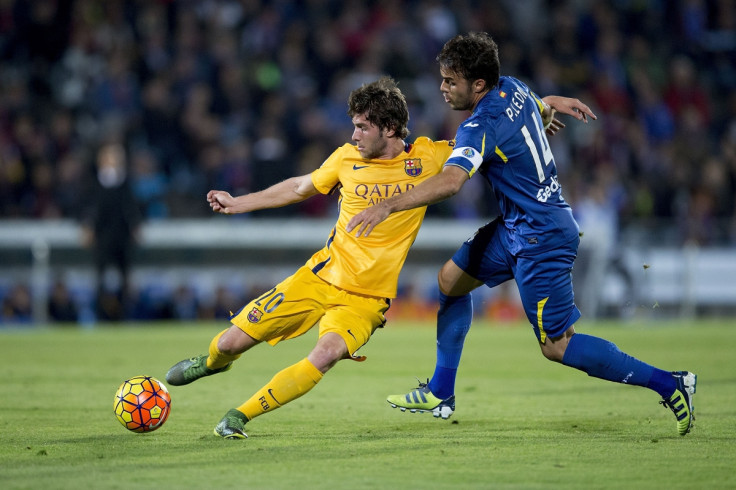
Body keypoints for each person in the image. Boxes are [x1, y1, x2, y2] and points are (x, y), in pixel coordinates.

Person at [346, 32, 697, 436]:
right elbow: (529, 107)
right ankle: (441, 391)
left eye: (450, 81)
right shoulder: (511, 86)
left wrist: (388, 204)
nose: (442, 88)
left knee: (557, 346)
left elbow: (452, 181)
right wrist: (549, 104)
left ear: (478, 85)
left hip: (541, 236)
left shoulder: (478, 126)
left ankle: (671, 384)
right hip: (516, 226)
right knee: (450, 281)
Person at [165, 76, 455, 439]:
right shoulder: (346, 158)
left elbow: (486, 145)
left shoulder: (430, 156)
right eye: (354, 126)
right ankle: (210, 364)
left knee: (327, 353)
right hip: (319, 277)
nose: (354, 136)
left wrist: (537, 112)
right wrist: (239, 202)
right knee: (229, 344)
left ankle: (238, 416)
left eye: (363, 127)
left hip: (366, 299)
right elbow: (300, 187)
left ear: (390, 127)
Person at [81, 141, 141, 321]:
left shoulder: (125, 181)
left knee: (125, 278)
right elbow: (90, 207)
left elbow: (131, 207)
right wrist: (88, 227)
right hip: (102, 237)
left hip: (121, 236)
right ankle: (100, 315)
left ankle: (123, 315)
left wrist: (135, 225)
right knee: (100, 277)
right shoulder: (94, 181)